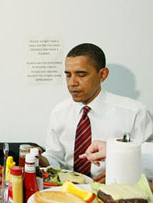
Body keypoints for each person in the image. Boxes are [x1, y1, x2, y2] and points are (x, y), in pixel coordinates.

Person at [40, 43, 153, 179]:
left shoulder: (135, 112)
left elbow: (149, 161)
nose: (72, 83)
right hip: (68, 191)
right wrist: (41, 159)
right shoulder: (59, 112)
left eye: (81, 75)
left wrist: (119, 173)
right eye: (68, 75)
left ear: (103, 75)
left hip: (115, 192)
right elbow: (56, 159)